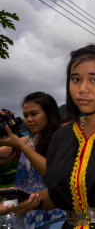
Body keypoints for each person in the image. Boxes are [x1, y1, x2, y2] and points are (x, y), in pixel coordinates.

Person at [1, 45, 95, 228]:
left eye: (94, 79)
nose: (82, 88)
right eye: (75, 79)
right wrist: (22, 203)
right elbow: (58, 194)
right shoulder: (61, 136)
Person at [0, 92, 66, 229]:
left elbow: (53, 175)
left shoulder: (64, 136)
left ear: (49, 113)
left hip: (56, 217)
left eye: (34, 114)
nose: (29, 119)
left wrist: (21, 146)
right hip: (24, 217)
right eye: (25, 116)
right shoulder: (25, 141)